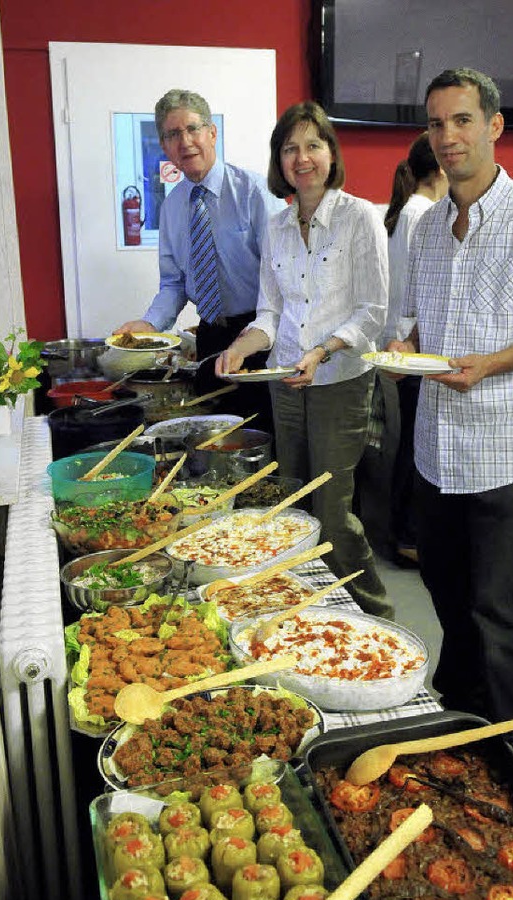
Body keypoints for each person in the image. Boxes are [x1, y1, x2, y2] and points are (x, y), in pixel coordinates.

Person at [387, 68, 513, 764]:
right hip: (437, 444)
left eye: (463, 120)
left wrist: (490, 363)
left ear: (494, 126)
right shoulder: (430, 229)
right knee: (444, 581)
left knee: (498, 605)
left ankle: (512, 744)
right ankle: (464, 707)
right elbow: (419, 325)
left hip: (505, 445)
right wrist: (406, 346)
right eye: (437, 123)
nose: (448, 136)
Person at [215, 101, 394, 620]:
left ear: (331, 153)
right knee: (290, 502)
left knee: (334, 513)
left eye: (313, 145)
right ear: (279, 161)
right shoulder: (275, 225)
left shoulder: (360, 217)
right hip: (286, 380)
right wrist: (241, 347)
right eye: (290, 148)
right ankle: (305, 616)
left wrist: (321, 350)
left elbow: (373, 312)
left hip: (340, 379)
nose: (302, 157)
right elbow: (270, 312)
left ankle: (373, 614)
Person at [114, 89, 284, 428]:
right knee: (217, 435)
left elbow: (283, 278)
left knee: (260, 436)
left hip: (260, 337)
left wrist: (253, 341)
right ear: (164, 146)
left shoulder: (255, 192)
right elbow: (173, 284)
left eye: (193, 129)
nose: (185, 141)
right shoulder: (173, 207)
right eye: (173, 134)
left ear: (212, 133)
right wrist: (150, 326)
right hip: (211, 338)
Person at [384, 133, 447, 568]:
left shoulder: (407, 211)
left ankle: (404, 532)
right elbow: (420, 289)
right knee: (414, 445)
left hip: (403, 341)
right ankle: (407, 535)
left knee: (407, 440)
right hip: (413, 345)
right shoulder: (425, 213)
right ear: (441, 169)